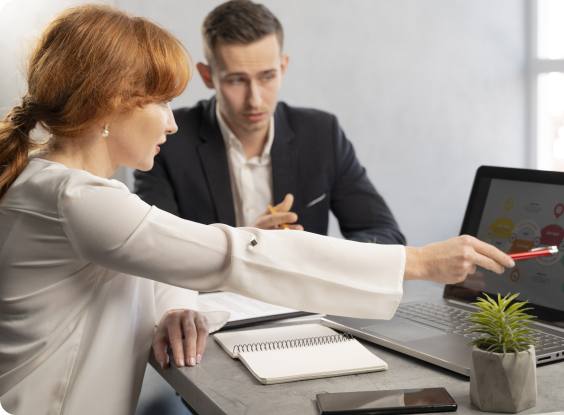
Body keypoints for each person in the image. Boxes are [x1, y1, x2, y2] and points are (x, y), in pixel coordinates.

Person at [0, 5, 514, 415]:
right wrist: (418, 262)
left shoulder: (59, 186)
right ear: (109, 103)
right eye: (159, 102)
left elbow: (153, 258)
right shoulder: (79, 200)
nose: (171, 122)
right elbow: (227, 255)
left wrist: (180, 301)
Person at [133, 0, 405, 245]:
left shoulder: (322, 134)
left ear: (283, 68)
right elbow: (155, 251)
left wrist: (318, 258)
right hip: (205, 301)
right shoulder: (166, 140)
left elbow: (384, 235)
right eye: (237, 80)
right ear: (207, 76)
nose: (255, 100)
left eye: (267, 77)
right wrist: (246, 247)